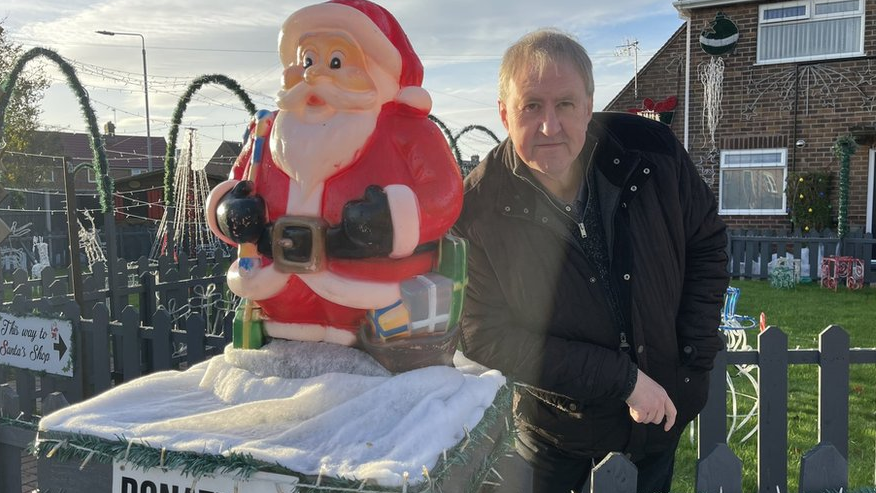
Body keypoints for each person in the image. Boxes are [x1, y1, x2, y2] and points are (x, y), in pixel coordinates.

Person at [453, 28, 729, 493]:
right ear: (504, 112)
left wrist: (690, 356)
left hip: (660, 417)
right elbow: (484, 333)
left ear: (588, 104)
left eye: (565, 104)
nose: (549, 126)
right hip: (556, 431)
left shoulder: (651, 152)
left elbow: (707, 242)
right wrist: (623, 381)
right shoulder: (478, 207)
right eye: (531, 106)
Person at [206, 0, 462, 346]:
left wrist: (391, 218)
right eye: (308, 59)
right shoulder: (268, 130)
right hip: (278, 300)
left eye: (336, 62)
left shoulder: (409, 131)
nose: (314, 75)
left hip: (368, 297)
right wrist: (230, 211)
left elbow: (444, 194)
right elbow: (238, 182)